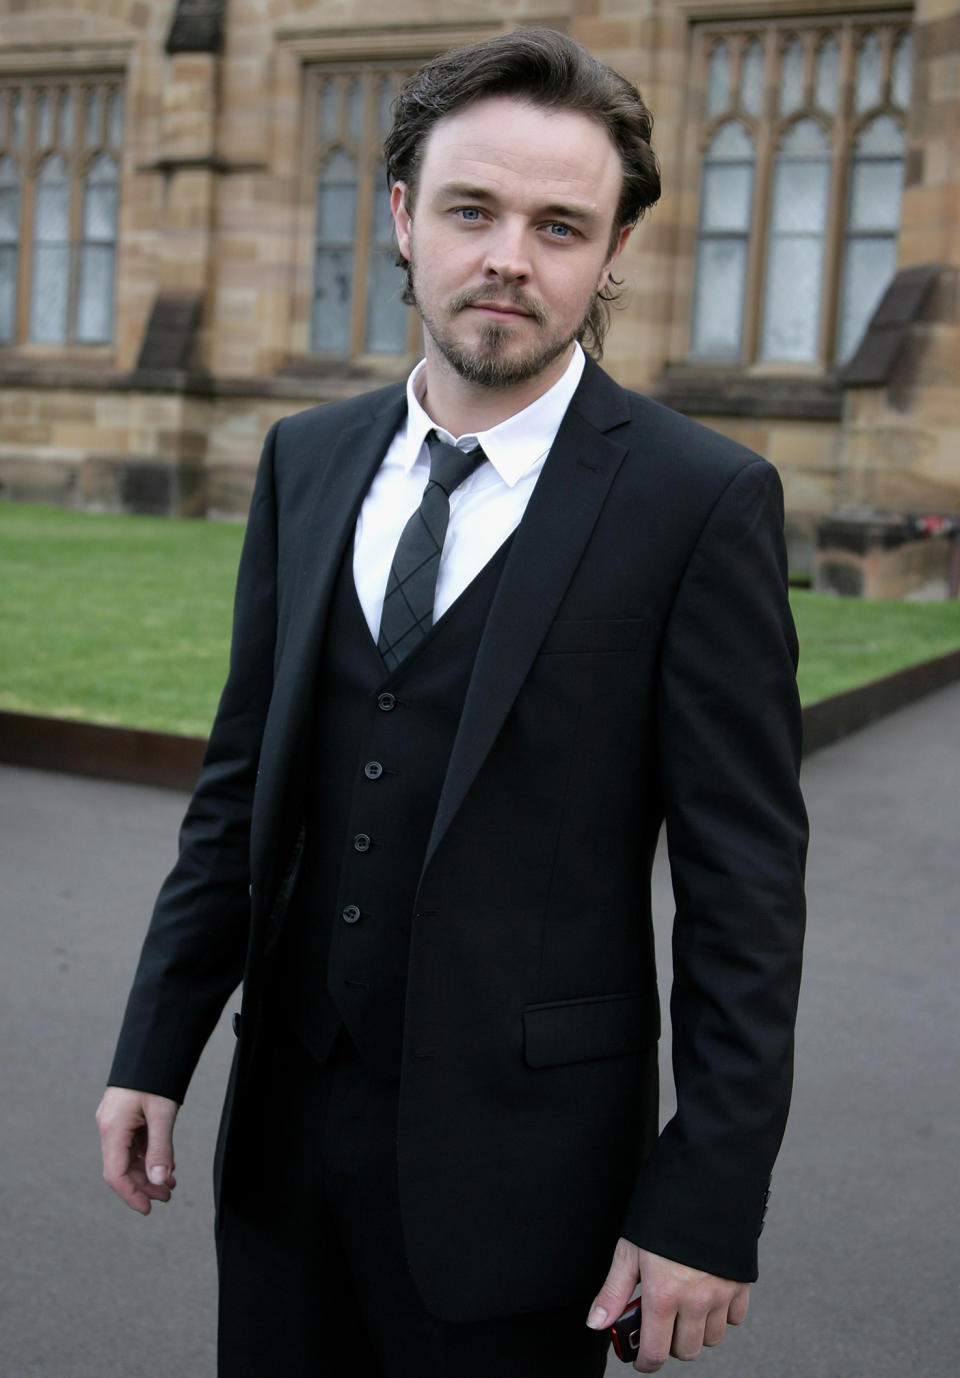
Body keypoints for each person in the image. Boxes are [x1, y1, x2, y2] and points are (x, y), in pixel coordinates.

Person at [96, 27, 807, 1378]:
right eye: (474, 210)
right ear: (405, 218)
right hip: (286, 1143)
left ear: (613, 255)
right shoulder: (307, 458)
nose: (510, 259)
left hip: (526, 1173)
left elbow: (746, 886)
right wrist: (155, 1046)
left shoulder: (697, 502)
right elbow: (240, 785)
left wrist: (708, 1195)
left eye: (560, 226)